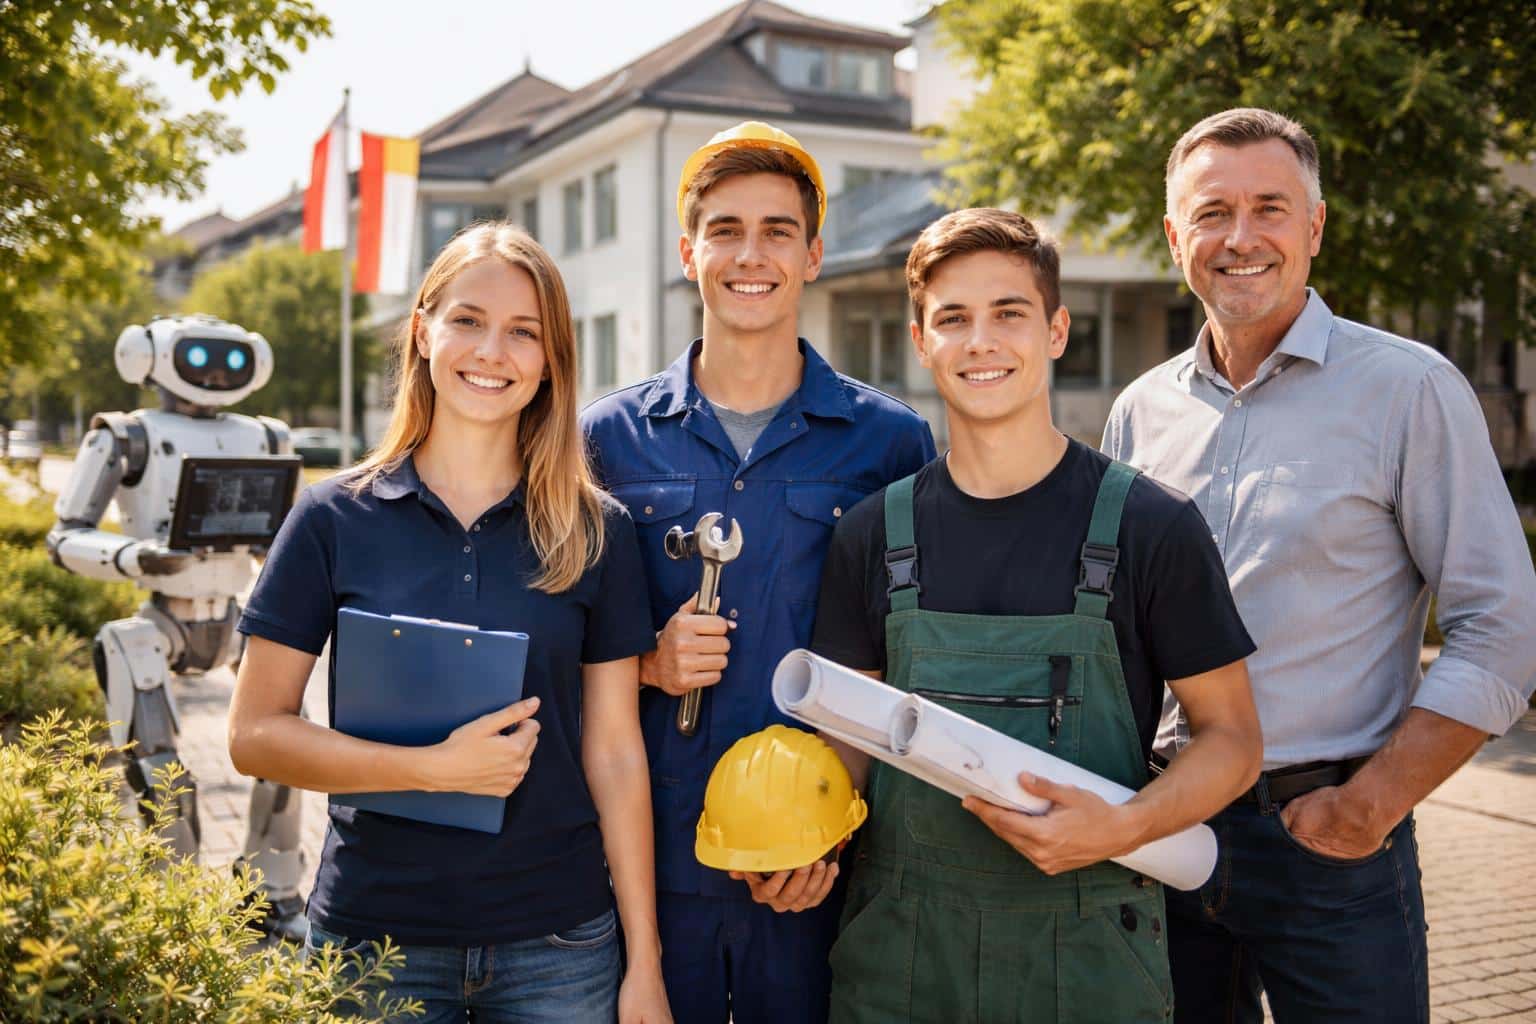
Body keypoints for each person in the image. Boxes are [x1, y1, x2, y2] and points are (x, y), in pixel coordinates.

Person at [1103, 107, 1536, 1023]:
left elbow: (1502, 624)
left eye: (1271, 207)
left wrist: (1371, 804)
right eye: (1212, 212)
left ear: (1315, 227)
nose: (1241, 237)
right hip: (1167, 833)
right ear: (1176, 234)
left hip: (1330, 848)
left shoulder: (1408, 389)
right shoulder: (1139, 412)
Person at [807, 207, 1264, 1023]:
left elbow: (1232, 741)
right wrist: (803, 832)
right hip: (903, 957)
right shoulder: (871, 535)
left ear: (1056, 330)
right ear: (922, 341)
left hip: (1088, 955)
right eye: (953, 318)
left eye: (1008, 313)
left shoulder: (1150, 527)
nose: (981, 341)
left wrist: (1123, 827)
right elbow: (850, 747)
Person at [227, 222, 672, 1023]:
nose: (491, 351)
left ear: (550, 362)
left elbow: (614, 752)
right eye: (467, 320)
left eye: (523, 332)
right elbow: (253, 734)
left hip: (560, 950)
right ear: (424, 328)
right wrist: (432, 769)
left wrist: (645, 959)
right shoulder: (332, 518)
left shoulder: (595, 530)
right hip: (373, 943)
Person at [581, 122, 935, 1024]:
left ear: (815, 253)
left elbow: (907, 663)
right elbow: (560, 642)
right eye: (726, 228)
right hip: (652, 859)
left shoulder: (889, 443)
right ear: (688, 250)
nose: (751, 254)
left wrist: (837, 814)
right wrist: (647, 664)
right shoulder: (604, 440)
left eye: (779, 230)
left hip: (819, 865)